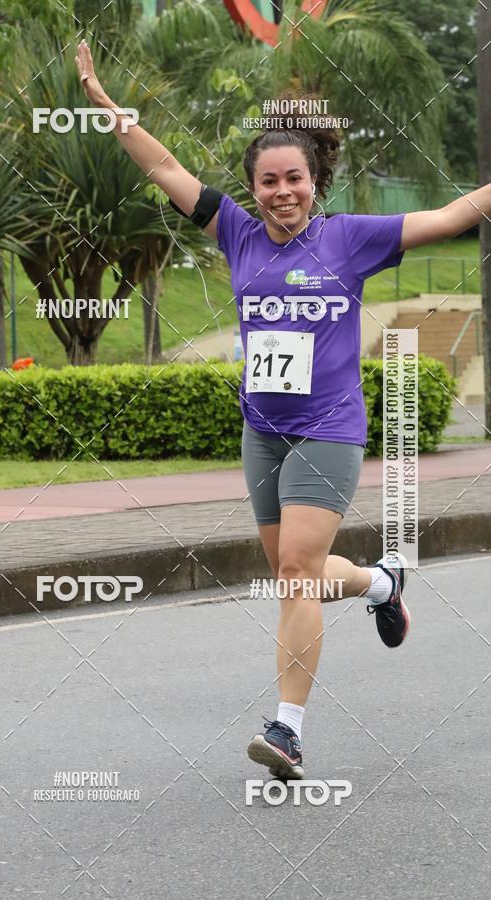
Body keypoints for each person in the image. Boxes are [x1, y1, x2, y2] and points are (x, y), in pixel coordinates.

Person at [75, 39, 485, 780]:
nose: (282, 191)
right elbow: (164, 168)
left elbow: (453, 213)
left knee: (295, 573)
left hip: (329, 431)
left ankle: (286, 730)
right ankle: (382, 583)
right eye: (268, 181)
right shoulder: (235, 232)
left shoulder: (350, 239)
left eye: (294, 178)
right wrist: (109, 108)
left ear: (315, 181)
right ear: (254, 188)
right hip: (262, 434)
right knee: (300, 572)